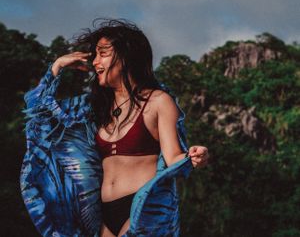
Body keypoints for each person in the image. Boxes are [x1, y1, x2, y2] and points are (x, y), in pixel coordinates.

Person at [21, 19, 209, 236]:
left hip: (144, 210)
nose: (95, 62)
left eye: (103, 53)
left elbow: (174, 157)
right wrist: (57, 67)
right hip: (100, 214)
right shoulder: (92, 108)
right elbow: (39, 114)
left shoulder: (159, 101)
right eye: (95, 55)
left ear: (126, 56)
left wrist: (195, 155)